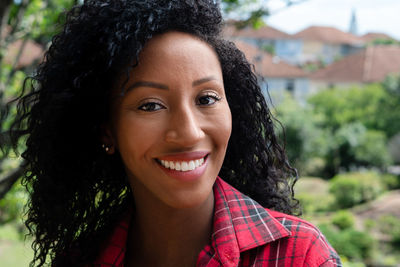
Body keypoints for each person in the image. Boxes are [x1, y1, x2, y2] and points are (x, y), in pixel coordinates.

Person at [9, 0, 342, 266]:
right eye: (151, 105)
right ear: (107, 131)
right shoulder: (81, 259)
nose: (188, 132)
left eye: (207, 98)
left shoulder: (299, 256)